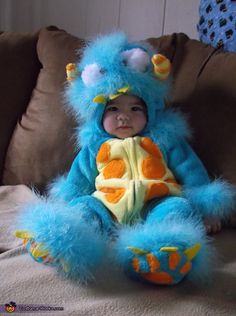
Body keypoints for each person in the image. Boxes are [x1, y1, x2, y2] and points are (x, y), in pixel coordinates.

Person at [15, 32, 235, 285]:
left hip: (157, 203)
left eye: (135, 108)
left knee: (178, 209)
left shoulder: (165, 139)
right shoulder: (96, 147)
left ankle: (161, 256)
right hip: (107, 207)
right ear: (98, 114)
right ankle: (61, 241)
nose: (124, 117)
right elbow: (78, 180)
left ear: (150, 109)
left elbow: (191, 171)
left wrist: (207, 209)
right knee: (84, 208)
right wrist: (68, 203)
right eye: (113, 109)